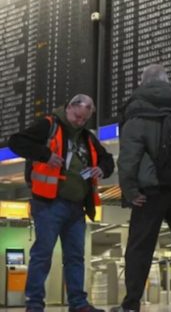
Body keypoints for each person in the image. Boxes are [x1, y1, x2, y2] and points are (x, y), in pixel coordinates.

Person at [113, 65, 171, 312]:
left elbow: (128, 158)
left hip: (150, 192)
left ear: (142, 83)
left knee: (139, 248)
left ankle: (132, 304)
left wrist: (130, 190)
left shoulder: (136, 115)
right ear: (168, 83)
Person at [8, 94, 114, 312]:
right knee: (43, 253)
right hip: (49, 203)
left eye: (84, 119)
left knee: (76, 256)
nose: (79, 122)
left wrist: (102, 169)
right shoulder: (49, 125)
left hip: (77, 207)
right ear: (69, 108)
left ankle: (78, 303)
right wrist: (45, 155)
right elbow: (16, 141)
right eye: (77, 116)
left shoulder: (87, 137)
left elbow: (107, 158)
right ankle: (35, 303)